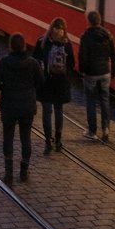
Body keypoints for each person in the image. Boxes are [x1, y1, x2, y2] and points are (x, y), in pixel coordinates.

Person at [0, 32, 44, 185]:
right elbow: (41, 81)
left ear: (10, 47)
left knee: (8, 137)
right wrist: (29, 88)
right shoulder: (32, 63)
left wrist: (4, 86)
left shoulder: (4, 62)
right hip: (27, 106)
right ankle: (24, 171)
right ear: (24, 46)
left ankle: (8, 173)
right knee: (25, 138)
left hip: (9, 106)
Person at [33, 17, 76, 154]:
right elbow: (72, 64)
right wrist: (66, 77)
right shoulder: (67, 44)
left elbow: (35, 61)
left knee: (47, 112)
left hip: (46, 82)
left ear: (51, 29)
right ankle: (58, 140)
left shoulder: (42, 42)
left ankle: (47, 142)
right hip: (61, 83)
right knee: (59, 111)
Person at [78, 11, 115, 142]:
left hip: (91, 72)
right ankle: (106, 129)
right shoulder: (108, 35)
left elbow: (82, 56)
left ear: (88, 21)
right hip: (105, 72)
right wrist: (114, 72)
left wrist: (82, 71)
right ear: (100, 20)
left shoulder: (85, 36)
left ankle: (92, 131)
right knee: (105, 100)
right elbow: (113, 55)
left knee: (90, 101)